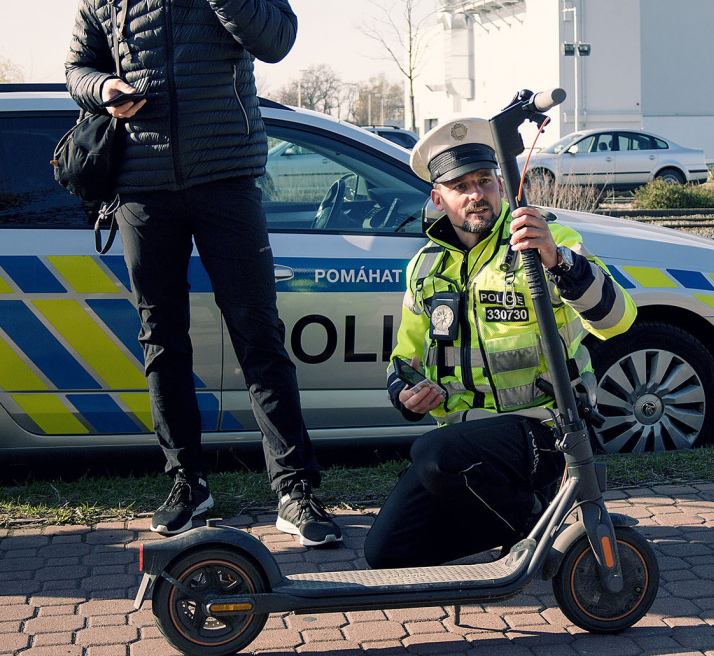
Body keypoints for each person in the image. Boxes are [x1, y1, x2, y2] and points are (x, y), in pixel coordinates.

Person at [65, 0, 341, 546]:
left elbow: (277, 40)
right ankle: (187, 484)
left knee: (257, 333)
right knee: (162, 339)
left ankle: (294, 490)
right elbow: (77, 70)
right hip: (141, 187)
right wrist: (106, 91)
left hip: (225, 176)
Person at [363, 118, 637, 569]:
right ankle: (536, 527)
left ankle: (535, 530)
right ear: (438, 198)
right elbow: (404, 357)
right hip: (465, 446)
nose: (476, 194)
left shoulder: (542, 238)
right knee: (385, 552)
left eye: (485, 181)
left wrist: (557, 259)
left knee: (432, 455)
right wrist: (406, 393)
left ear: (501, 186)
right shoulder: (425, 265)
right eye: (460, 185)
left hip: (542, 433)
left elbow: (616, 320)